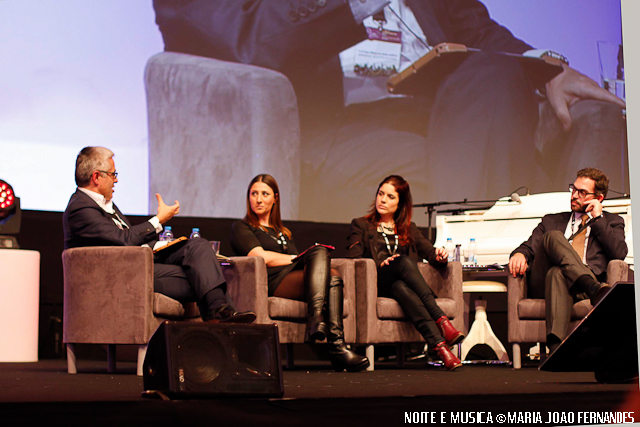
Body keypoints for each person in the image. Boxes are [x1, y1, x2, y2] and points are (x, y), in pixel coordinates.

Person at [152, 0, 627, 223]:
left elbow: (476, 28)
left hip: (445, 111)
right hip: (340, 131)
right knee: (480, 154)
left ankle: (486, 265)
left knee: (497, 74)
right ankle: (478, 281)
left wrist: (548, 68)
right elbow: (249, 40)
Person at [63, 146, 256, 323]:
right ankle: (223, 319)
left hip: (141, 264)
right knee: (203, 274)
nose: (116, 180)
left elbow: (129, 240)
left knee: (199, 247)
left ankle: (220, 313)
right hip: (124, 277)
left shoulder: (104, 203)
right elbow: (124, 240)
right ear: (96, 177)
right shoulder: (80, 208)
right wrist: (159, 220)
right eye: (113, 174)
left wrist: (163, 245)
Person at [230, 174, 370, 372]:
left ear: (275, 198)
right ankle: (334, 343)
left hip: (289, 277)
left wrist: (306, 257)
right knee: (320, 256)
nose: (258, 199)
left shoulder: (283, 232)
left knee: (332, 273)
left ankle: (330, 336)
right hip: (268, 282)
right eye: (254, 194)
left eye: (264, 194)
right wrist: (301, 257)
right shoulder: (242, 227)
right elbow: (260, 257)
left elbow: (298, 264)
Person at [347, 175, 464, 370]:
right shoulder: (361, 225)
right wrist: (379, 263)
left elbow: (429, 252)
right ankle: (441, 320)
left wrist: (440, 255)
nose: (383, 200)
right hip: (376, 283)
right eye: (380, 194)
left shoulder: (409, 229)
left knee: (401, 286)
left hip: (398, 287)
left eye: (390, 197)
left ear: (400, 203)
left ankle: (442, 348)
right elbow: (354, 260)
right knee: (403, 261)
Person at [508, 167, 628, 353]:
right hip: (548, 286)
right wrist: (519, 254)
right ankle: (593, 288)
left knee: (557, 273)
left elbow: (618, 253)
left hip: (579, 287)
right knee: (553, 237)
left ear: (599, 198)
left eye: (582, 192)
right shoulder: (551, 221)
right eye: (573, 189)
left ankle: (556, 347)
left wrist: (597, 218)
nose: (574, 196)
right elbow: (528, 246)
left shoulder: (611, 222)